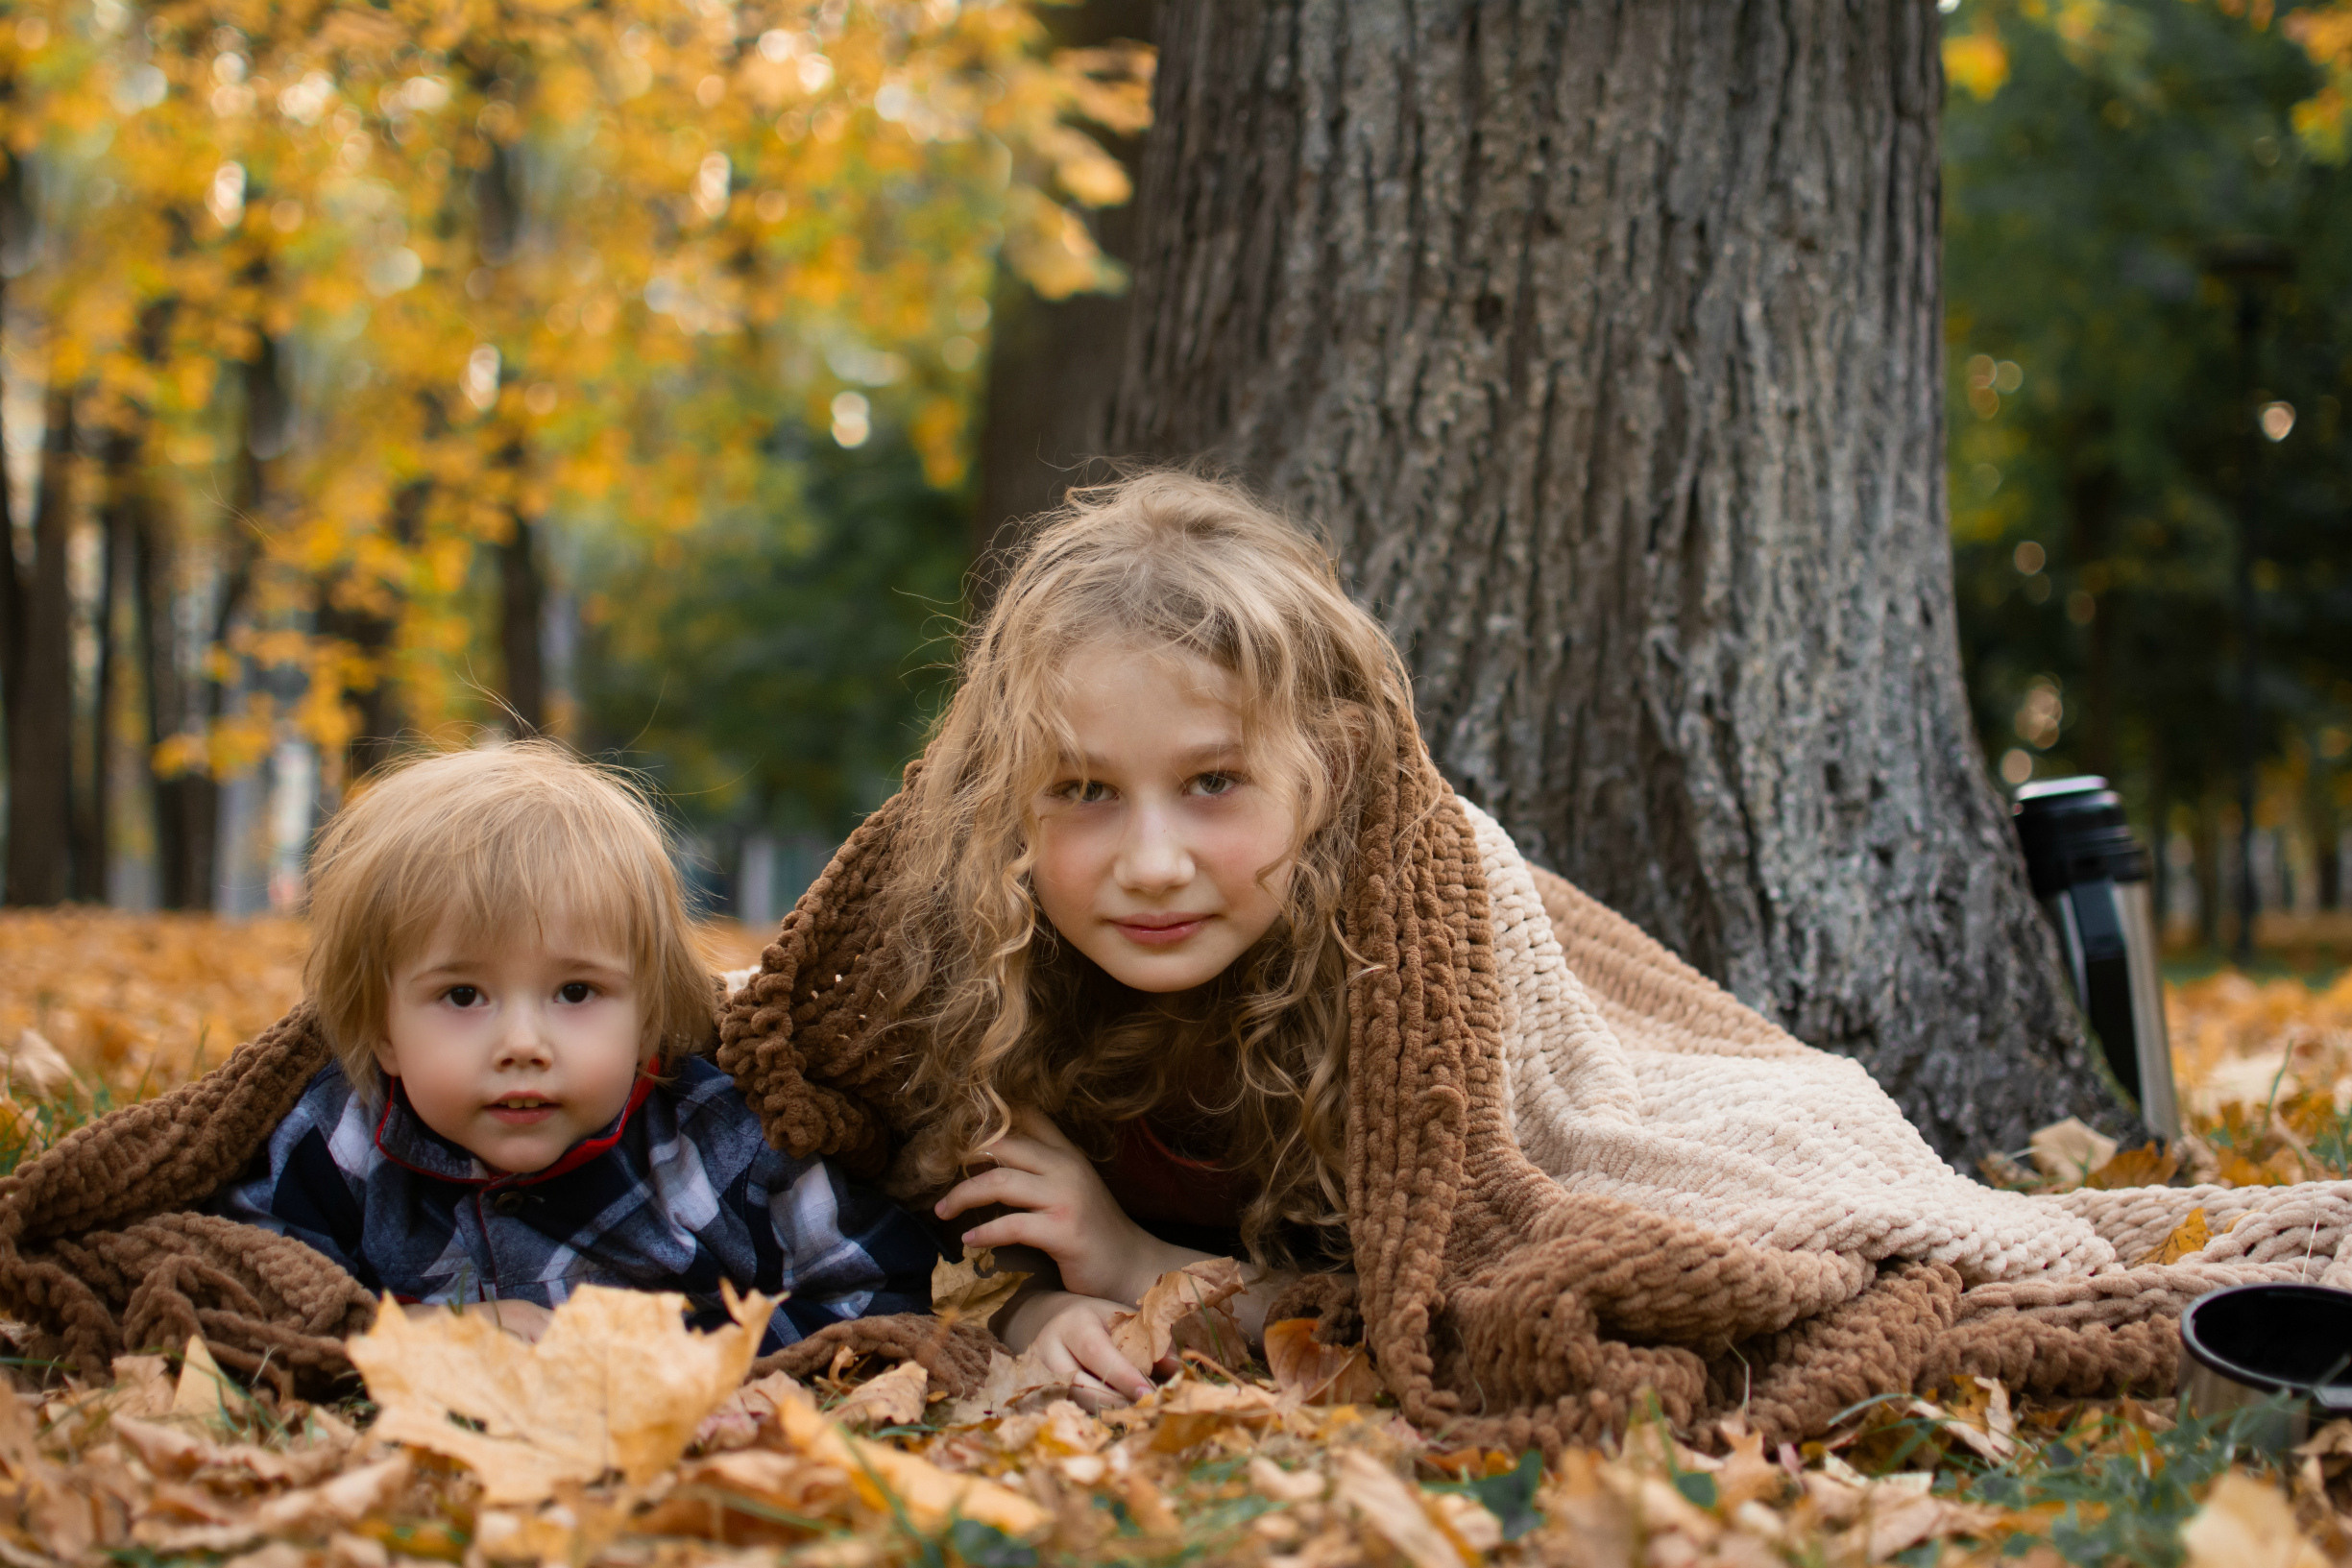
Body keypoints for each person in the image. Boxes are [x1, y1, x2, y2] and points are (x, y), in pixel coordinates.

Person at [855, 470, 1399, 1400]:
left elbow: (1429, 1295)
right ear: (1006, 801)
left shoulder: (1392, 979)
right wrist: (1041, 1312)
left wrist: (1130, 1261)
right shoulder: (991, 987)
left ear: (1330, 772)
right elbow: (931, 1246)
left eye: (1214, 781)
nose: (1152, 863)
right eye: (1085, 790)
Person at [212, 741, 938, 1348]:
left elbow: (879, 1284)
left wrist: (701, 1360)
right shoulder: (343, 1141)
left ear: (648, 1015)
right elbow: (241, 1277)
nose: (523, 1044)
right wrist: (417, 1333)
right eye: (463, 996)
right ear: (382, 1030)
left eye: (575, 992)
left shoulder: (720, 1144)